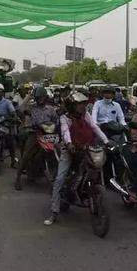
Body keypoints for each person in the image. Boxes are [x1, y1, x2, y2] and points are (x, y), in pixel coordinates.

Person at [45, 92, 109, 226]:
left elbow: (94, 127)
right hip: (69, 150)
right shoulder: (65, 118)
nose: (82, 107)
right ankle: (54, 212)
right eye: (79, 104)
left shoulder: (86, 115)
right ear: (72, 105)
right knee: (60, 179)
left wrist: (106, 140)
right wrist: (69, 144)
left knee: (96, 166)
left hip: (86, 148)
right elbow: (65, 132)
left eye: (83, 104)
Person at [15, 86, 58, 191]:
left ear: (46, 97)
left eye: (42, 97)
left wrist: (56, 127)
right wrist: (29, 96)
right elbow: (20, 109)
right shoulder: (32, 107)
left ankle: (58, 176)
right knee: (26, 155)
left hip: (48, 134)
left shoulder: (51, 109)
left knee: (57, 152)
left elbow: (56, 120)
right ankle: (17, 178)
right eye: (38, 97)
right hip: (35, 133)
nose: (40, 99)